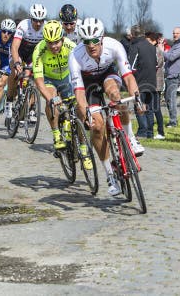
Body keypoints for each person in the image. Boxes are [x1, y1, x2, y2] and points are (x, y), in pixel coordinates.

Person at [69, 18, 145, 196]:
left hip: (107, 74)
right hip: (87, 84)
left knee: (116, 96)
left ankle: (130, 138)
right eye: (87, 42)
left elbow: (128, 77)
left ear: (102, 38)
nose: (91, 45)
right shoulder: (75, 56)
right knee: (97, 126)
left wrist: (138, 98)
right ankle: (110, 175)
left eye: (95, 40)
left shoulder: (114, 46)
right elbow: (79, 93)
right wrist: (86, 112)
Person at [32, 21, 77, 150]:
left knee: (73, 104)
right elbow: (39, 81)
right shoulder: (39, 50)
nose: (53, 46)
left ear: (62, 38)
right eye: (50, 42)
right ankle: (56, 133)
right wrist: (51, 99)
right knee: (53, 101)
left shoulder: (71, 46)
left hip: (66, 78)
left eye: (56, 42)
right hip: (49, 79)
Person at [6, 4, 47, 121]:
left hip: (33, 55)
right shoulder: (23, 25)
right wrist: (17, 63)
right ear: (31, 18)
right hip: (19, 52)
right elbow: (14, 47)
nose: (38, 23)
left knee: (36, 78)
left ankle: (32, 107)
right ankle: (9, 100)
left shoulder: (46, 28)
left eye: (41, 21)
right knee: (14, 72)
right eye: (35, 20)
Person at [128, 25, 159, 141]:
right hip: (152, 81)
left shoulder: (135, 46)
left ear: (133, 34)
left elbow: (131, 67)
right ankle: (150, 132)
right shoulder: (152, 47)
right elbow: (156, 65)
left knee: (139, 107)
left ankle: (142, 131)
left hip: (139, 82)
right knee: (149, 108)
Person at [163, 27, 180, 128]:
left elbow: (171, 57)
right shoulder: (175, 45)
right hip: (169, 75)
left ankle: (173, 121)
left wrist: (161, 51)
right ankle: (173, 119)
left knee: (171, 99)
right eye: (173, 33)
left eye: (177, 33)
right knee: (167, 98)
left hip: (174, 76)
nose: (175, 35)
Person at [148, 32, 166, 139]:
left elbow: (157, 64)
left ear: (154, 41)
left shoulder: (158, 51)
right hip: (151, 83)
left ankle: (161, 132)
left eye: (149, 41)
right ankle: (149, 129)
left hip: (157, 84)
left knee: (156, 108)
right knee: (150, 107)